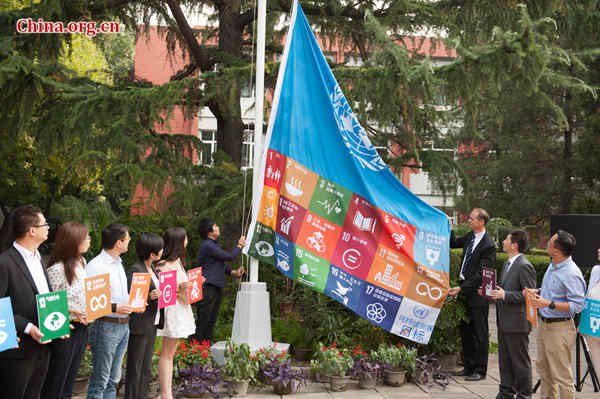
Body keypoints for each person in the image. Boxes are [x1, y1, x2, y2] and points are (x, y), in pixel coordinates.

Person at [0, 204, 58, 399]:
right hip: (17, 347)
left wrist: (59, 321)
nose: (48, 228)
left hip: (43, 344)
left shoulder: (38, 258)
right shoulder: (5, 262)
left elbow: (43, 295)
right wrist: (28, 328)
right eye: (44, 225)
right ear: (32, 231)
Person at [527, 230, 586, 399]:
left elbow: (578, 305)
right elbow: (552, 291)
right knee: (545, 373)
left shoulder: (571, 273)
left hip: (560, 329)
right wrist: (537, 291)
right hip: (545, 326)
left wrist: (549, 304)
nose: (546, 244)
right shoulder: (553, 265)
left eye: (550, 242)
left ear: (557, 250)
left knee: (562, 376)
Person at [42, 222, 92, 399]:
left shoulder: (82, 262)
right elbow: (49, 303)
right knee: (57, 379)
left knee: (70, 379)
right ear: (74, 241)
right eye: (85, 237)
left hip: (82, 327)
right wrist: (72, 311)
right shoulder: (56, 269)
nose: (89, 240)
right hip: (64, 328)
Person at [86, 223, 135, 399]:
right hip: (105, 325)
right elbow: (92, 303)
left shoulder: (118, 264)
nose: (130, 241)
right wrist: (116, 308)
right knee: (101, 380)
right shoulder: (96, 266)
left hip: (123, 325)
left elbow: (120, 296)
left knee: (114, 379)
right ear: (118, 243)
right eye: (127, 238)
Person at [448, 208, 496, 381]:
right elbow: (453, 243)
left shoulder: (488, 245)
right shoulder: (470, 236)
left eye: (472, 218)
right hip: (464, 289)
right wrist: (449, 227)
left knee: (479, 332)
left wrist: (462, 288)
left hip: (477, 293)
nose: (469, 221)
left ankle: (480, 369)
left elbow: (482, 273)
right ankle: (468, 366)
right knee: (465, 331)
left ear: (481, 221)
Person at [487, 230, 536, 399]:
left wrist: (505, 295)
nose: (503, 241)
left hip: (517, 323)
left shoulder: (524, 265)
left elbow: (529, 295)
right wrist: (492, 294)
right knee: (505, 361)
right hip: (504, 321)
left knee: (520, 363)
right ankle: (506, 392)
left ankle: (524, 395)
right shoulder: (507, 264)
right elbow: (505, 291)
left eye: (507, 239)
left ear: (514, 245)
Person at [156, 227, 196, 399]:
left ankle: (166, 392)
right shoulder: (164, 265)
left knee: (170, 353)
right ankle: (166, 394)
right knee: (167, 353)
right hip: (172, 312)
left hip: (180, 309)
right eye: (185, 238)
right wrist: (181, 290)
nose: (187, 241)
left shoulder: (178, 261)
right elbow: (166, 295)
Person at [125, 233, 165, 399]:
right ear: (152, 254)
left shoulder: (152, 268)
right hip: (140, 324)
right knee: (135, 368)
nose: (163, 251)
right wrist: (150, 296)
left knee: (146, 367)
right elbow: (131, 298)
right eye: (160, 249)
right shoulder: (136, 269)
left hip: (152, 322)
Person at [193, 218, 245, 343]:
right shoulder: (208, 245)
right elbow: (229, 257)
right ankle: (195, 348)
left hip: (215, 286)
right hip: (208, 286)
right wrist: (239, 245)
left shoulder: (212, 245)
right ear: (209, 231)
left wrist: (234, 273)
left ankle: (205, 349)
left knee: (211, 319)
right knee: (204, 319)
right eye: (215, 225)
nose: (218, 227)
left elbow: (220, 265)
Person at [584, 248, 600, 380]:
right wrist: (583, 323)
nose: (598, 250)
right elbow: (588, 299)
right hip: (593, 330)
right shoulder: (595, 270)